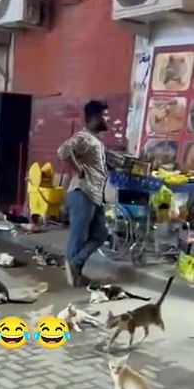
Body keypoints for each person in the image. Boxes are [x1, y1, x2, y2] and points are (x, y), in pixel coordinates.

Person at [57, 100, 110, 287]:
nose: (108, 119)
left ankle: (75, 264)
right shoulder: (84, 137)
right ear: (95, 118)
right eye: (105, 115)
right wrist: (78, 169)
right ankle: (74, 275)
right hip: (83, 193)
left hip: (95, 195)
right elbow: (63, 151)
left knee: (100, 234)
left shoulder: (95, 140)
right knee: (78, 237)